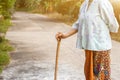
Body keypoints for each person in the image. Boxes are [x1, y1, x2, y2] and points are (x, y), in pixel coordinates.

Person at [55, 0, 119, 80]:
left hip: (101, 48)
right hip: (89, 46)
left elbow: (112, 23)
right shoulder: (84, 4)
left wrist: (104, 35)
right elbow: (79, 24)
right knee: (90, 75)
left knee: (101, 76)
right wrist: (65, 35)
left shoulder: (102, 2)